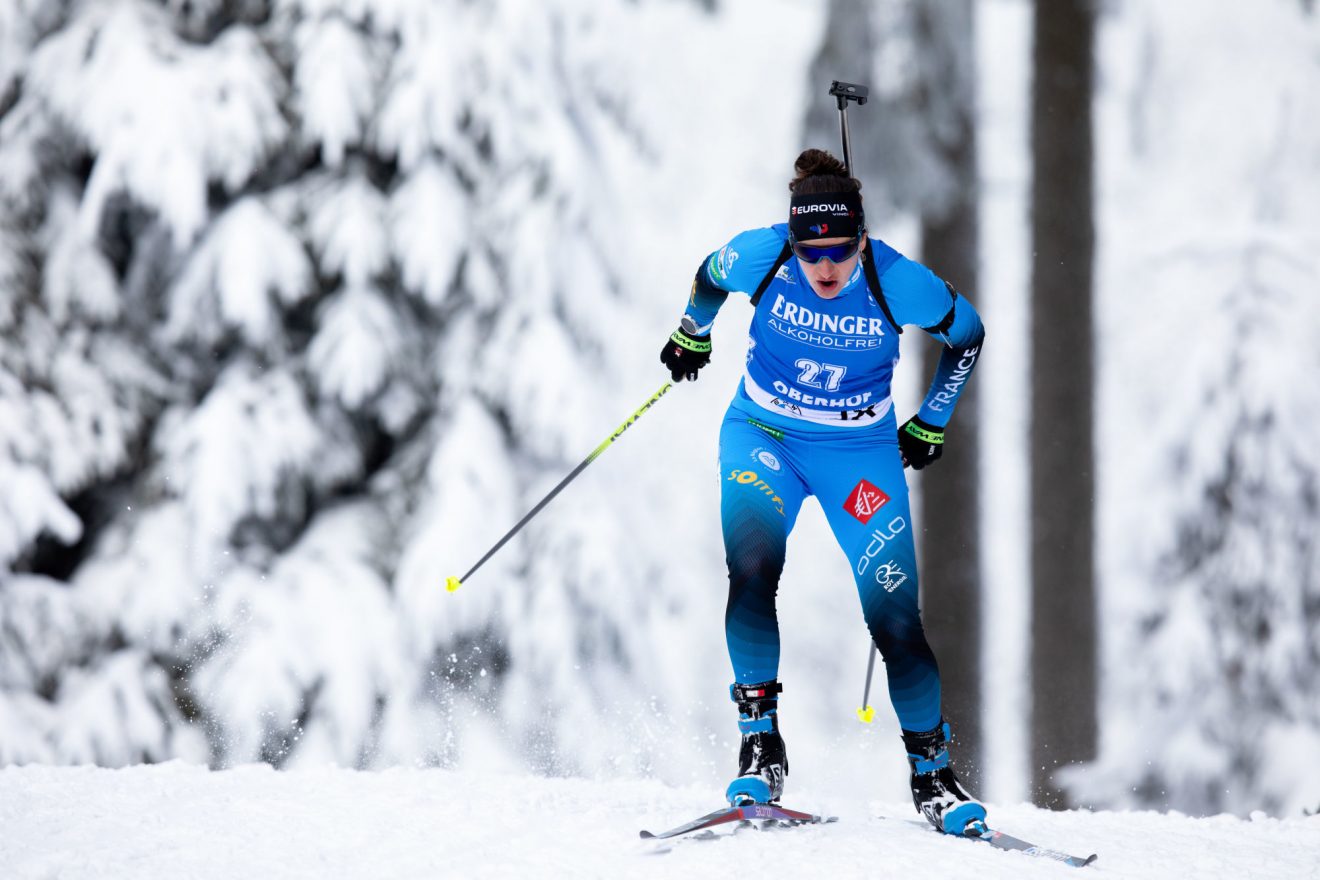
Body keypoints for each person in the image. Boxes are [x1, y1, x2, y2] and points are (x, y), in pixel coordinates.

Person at [659, 148, 987, 835]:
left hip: (857, 456)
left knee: (896, 621)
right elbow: (708, 277)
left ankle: (934, 778)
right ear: (793, 242)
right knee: (751, 573)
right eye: (812, 253)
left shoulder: (898, 280)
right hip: (763, 438)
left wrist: (932, 420)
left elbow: (967, 333)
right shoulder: (764, 254)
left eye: (840, 250)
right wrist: (693, 333)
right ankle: (760, 745)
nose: (826, 268)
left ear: (861, 238)